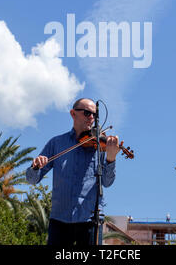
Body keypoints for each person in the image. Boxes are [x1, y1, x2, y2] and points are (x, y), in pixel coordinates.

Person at [25, 98, 120, 246]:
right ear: (73, 114)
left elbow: (107, 183)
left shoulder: (100, 145)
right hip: (59, 220)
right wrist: (35, 167)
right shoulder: (56, 143)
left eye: (94, 115)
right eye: (87, 113)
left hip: (89, 220)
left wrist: (111, 159)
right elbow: (31, 180)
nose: (91, 118)